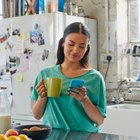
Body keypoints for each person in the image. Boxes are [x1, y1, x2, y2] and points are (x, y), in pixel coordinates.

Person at [31, 22, 107, 132]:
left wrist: (84, 99)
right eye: (71, 44)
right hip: (54, 137)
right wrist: (42, 96)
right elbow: (37, 115)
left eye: (82, 46)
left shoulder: (95, 78)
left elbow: (99, 120)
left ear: (87, 48)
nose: (76, 50)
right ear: (62, 43)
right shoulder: (45, 74)